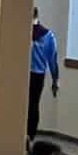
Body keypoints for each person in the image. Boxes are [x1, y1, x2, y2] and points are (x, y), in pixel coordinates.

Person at [29, 7, 60, 138]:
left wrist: (55, 80)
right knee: (33, 105)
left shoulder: (21, 32)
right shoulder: (48, 36)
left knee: (28, 106)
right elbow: (53, 60)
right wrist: (55, 81)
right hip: (37, 75)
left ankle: (25, 136)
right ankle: (30, 137)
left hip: (27, 75)